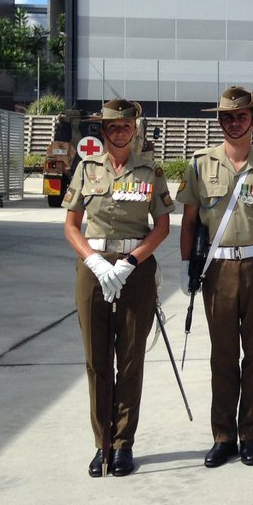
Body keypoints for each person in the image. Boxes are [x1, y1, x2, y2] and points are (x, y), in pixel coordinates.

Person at [176, 87, 253, 468]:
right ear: (220, 122)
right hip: (219, 269)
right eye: (227, 117)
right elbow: (190, 221)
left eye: (241, 117)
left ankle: (250, 435)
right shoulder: (200, 164)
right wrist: (185, 265)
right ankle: (223, 435)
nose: (233, 123)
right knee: (223, 355)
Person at [63, 98, 173, 477]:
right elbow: (71, 225)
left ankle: (124, 443)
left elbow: (161, 226)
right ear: (103, 131)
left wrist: (131, 262)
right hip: (93, 267)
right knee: (96, 359)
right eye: (112, 127)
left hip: (134, 269)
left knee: (130, 359)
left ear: (135, 129)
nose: (120, 132)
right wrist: (92, 260)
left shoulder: (150, 170)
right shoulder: (86, 169)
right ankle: (102, 444)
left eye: (126, 126)